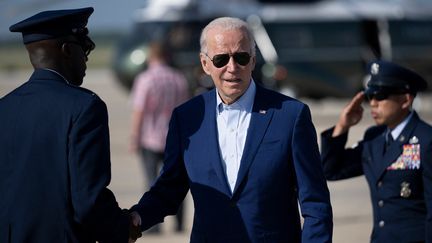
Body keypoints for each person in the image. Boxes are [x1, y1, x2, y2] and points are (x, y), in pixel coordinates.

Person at [129, 17, 333, 242]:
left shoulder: (290, 116)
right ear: (205, 64)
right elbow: (169, 188)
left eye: (242, 57)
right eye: (221, 59)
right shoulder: (186, 118)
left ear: (254, 61)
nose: (232, 67)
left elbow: (316, 204)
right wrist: (137, 217)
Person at [0, 7, 140, 242]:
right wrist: (122, 228)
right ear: (66, 50)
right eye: (84, 48)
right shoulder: (84, 107)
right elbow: (87, 201)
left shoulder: (4, 107)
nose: (86, 58)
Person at [320, 60, 431, 242]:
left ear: (405, 99)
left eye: (381, 95)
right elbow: (331, 170)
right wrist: (343, 126)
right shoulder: (374, 138)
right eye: (370, 95)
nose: (373, 103)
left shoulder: (426, 140)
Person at [129, 41, 189, 233]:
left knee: (152, 181)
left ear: (150, 56)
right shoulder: (178, 78)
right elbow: (186, 109)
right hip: (174, 138)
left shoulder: (145, 79)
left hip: (150, 137)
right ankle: (179, 224)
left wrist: (135, 136)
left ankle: (153, 224)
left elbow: (139, 111)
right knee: (177, 182)